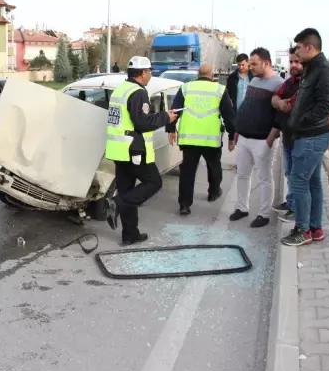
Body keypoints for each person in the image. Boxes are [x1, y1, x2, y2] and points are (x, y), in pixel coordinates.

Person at [104, 56, 177, 244]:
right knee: (153, 182)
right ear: (143, 73)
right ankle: (117, 203)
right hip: (134, 150)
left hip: (119, 150)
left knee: (128, 190)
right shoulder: (138, 93)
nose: (151, 74)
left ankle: (130, 235)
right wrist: (165, 118)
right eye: (150, 71)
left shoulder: (120, 90)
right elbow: (142, 122)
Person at [281, 28, 329, 246]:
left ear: (308, 47)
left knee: (298, 182)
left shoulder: (324, 71)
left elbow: (326, 105)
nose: (296, 52)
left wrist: (301, 122)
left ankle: (303, 230)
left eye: (298, 47)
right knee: (312, 183)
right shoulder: (312, 69)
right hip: (307, 136)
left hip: (311, 136)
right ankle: (315, 228)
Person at [166, 64, 236, 215]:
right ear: (212, 75)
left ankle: (184, 204)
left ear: (198, 74)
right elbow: (229, 116)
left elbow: (174, 110)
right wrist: (232, 136)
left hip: (189, 139)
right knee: (214, 167)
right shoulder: (219, 90)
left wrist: (171, 130)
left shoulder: (186, 88)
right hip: (211, 139)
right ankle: (214, 192)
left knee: (187, 172)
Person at [230, 48, 285, 228]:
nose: (250, 67)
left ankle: (263, 214)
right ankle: (241, 208)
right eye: (250, 64)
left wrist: (270, 140)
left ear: (266, 63)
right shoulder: (254, 80)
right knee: (242, 174)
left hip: (263, 139)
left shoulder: (278, 84)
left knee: (264, 177)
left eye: (254, 64)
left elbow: (280, 116)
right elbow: (246, 106)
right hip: (244, 136)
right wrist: (238, 129)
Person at [271, 47, 303, 223]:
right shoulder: (290, 82)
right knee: (289, 173)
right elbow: (275, 98)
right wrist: (278, 101)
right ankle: (291, 203)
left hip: (300, 138)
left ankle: (296, 209)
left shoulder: (305, 83)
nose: (293, 65)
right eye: (291, 61)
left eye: (297, 61)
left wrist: (280, 103)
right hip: (288, 136)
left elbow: (286, 106)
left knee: (298, 176)